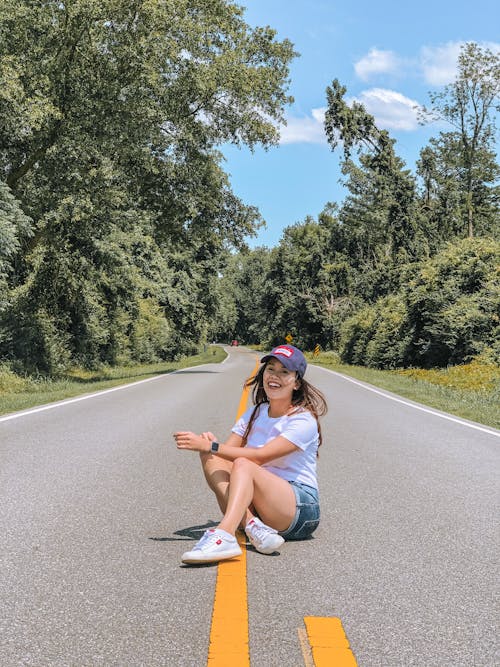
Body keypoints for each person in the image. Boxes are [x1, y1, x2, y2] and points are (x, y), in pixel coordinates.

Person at [173, 344, 328, 564]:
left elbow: (260, 456)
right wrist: (211, 447)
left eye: (284, 372)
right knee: (212, 456)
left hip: (299, 508)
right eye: (271, 369)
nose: (274, 376)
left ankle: (225, 534)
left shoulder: (303, 420)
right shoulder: (256, 412)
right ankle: (253, 526)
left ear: (297, 383)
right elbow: (225, 456)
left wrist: (211, 446)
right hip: (261, 504)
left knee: (241, 461)